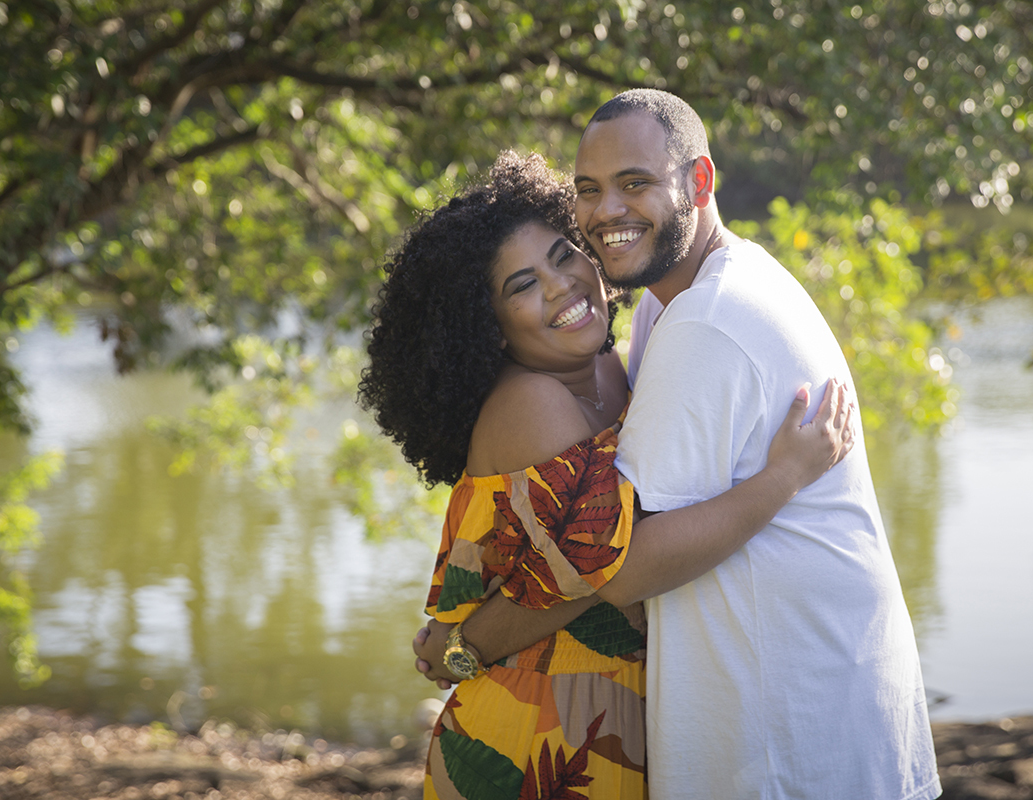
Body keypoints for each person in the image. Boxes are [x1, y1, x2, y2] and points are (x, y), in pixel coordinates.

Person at [414, 91, 943, 799]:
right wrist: (464, 646)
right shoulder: (674, 311)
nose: (606, 212)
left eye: (635, 183)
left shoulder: (691, 320)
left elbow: (616, 568)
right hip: (551, 726)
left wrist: (463, 644)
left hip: (784, 726)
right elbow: (610, 565)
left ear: (699, 182)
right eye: (590, 191)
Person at [361, 151, 855, 798]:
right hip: (531, 739)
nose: (561, 284)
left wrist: (462, 642)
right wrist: (782, 480)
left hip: (603, 719)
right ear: (488, 327)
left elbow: (575, 572)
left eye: (564, 254)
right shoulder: (530, 402)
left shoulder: (607, 370)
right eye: (522, 285)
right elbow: (613, 570)